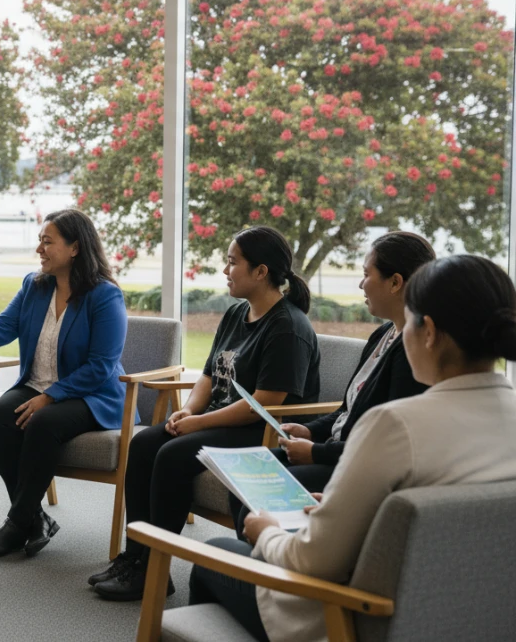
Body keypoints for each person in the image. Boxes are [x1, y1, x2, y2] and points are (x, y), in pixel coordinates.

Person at [193, 254, 516, 642]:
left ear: (427, 331)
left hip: (350, 619)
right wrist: (346, 513)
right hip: (468, 617)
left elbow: (312, 561)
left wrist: (267, 532)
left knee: (212, 555)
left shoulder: (396, 425)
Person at [92, 226, 320, 600]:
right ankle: (137, 557)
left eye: (233, 263)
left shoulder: (288, 327)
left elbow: (263, 404)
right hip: (218, 420)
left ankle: (154, 566)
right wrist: (187, 412)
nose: (226, 270)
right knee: (146, 441)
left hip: (259, 431)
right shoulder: (236, 314)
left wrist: (198, 422)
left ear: (261, 271)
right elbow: (210, 373)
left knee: (173, 453)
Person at [0, 209, 128, 558]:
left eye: (48, 242)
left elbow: (101, 366)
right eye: (40, 241)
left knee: (42, 422)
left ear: (75, 248)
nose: (40, 249)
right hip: (38, 384)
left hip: (90, 394)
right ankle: (34, 518)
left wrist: (50, 397)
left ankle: (16, 524)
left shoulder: (104, 295)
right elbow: (2, 327)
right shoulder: (34, 286)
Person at [228, 232, 435, 538]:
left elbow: (384, 448)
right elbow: (347, 411)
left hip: (353, 467)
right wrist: (311, 431)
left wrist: (316, 452)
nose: (361, 284)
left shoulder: (412, 355)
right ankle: (253, 566)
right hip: (333, 450)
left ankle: (262, 571)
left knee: (259, 497)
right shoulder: (383, 336)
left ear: (395, 283)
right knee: (244, 479)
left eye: (366, 275)